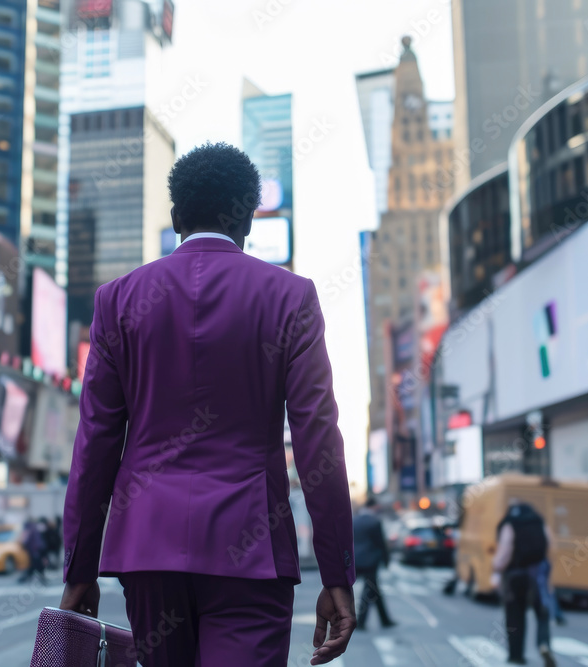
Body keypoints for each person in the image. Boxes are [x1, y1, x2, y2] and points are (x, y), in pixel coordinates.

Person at [59, 142, 356, 667]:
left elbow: (96, 445)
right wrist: (337, 573)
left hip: (148, 546)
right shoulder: (291, 297)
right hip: (252, 548)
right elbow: (318, 442)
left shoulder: (117, 300)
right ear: (248, 217)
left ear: (175, 217)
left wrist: (80, 570)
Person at [492, 500, 556, 667]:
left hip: (516, 577)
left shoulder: (510, 524)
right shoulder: (539, 522)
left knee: (515, 616)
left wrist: (496, 567)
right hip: (538, 576)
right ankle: (544, 644)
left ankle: (516, 655)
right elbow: (550, 545)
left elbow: (505, 550)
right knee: (542, 613)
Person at [353, 497, 395, 630]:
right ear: (373, 506)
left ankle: (385, 620)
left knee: (374, 590)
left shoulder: (354, 520)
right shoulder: (375, 522)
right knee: (369, 590)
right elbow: (381, 543)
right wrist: (386, 561)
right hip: (370, 561)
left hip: (355, 560)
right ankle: (361, 622)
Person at [19, 519, 48, 584]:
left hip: (35, 550)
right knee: (35, 564)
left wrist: (23, 545)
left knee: (36, 564)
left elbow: (26, 541)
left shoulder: (29, 530)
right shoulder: (35, 528)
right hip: (39, 549)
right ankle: (40, 577)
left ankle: (39, 577)